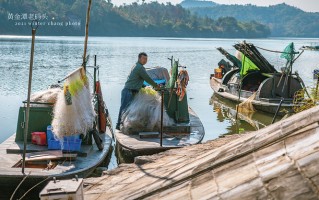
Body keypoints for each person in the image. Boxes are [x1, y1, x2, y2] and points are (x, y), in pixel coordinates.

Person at [116, 52, 159, 130]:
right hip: (128, 91)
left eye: (146, 59)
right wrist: (156, 86)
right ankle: (119, 125)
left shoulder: (136, 66)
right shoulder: (140, 68)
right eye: (143, 59)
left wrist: (144, 86)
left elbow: (137, 80)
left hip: (130, 91)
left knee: (126, 110)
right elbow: (147, 78)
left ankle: (121, 125)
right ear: (139, 58)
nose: (145, 60)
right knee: (124, 109)